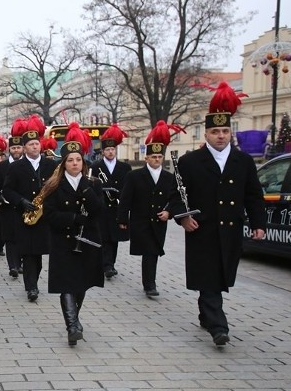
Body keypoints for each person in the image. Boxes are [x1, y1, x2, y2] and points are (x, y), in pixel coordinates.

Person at [176, 82, 266, 347]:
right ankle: (219, 326)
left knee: (221, 275)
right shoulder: (190, 161)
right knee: (208, 276)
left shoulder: (243, 161)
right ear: (206, 133)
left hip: (230, 229)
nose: (221, 136)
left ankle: (207, 313)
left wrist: (258, 223)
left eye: (225, 131)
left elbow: (253, 194)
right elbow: (177, 194)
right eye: (215, 131)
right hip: (202, 229)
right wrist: (182, 216)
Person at [41, 126, 104, 345]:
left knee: (81, 284)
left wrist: (87, 191)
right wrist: (72, 219)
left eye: (78, 159)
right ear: (64, 163)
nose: (75, 163)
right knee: (66, 284)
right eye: (70, 160)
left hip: (86, 242)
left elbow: (100, 212)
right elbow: (48, 215)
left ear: (83, 162)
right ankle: (72, 325)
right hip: (63, 241)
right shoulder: (54, 185)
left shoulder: (93, 184)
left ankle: (75, 318)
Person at [117, 121, 184, 298]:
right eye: (153, 157)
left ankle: (150, 283)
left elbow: (174, 198)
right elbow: (126, 199)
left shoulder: (169, 177)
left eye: (159, 157)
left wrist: (169, 212)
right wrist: (122, 220)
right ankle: (150, 284)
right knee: (148, 251)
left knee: (153, 251)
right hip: (141, 220)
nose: (156, 160)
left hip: (159, 221)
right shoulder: (134, 176)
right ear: (146, 158)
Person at [3, 118, 57, 302]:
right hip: (24, 216)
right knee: (27, 253)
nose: (35, 147)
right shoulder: (15, 167)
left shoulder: (50, 165)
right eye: (31, 144)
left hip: (43, 217)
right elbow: (7, 190)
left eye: (37, 143)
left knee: (38, 254)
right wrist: (21, 201)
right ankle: (31, 287)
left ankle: (33, 281)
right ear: (24, 148)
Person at [91, 124, 131, 279]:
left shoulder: (125, 167)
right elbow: (93, 186)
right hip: (103, 207)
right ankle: (106, 265)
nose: (110, 152)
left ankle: (110, 264)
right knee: (104, 237)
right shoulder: (96, 167)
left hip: (117, 208)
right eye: (107, 150)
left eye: (113, 149)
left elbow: (128, 187)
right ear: (103, 151)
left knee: (115, 238)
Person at [0, 120, 26, 278]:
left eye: (19, 147)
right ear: (9, 149)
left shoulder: (27, 165)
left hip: (24, 208)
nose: (16, 150)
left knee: (22, 239)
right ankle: (13, 265)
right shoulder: (2, 166)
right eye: (13, 148)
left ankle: (21, 263)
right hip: (7, 208)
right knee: (10, 238)